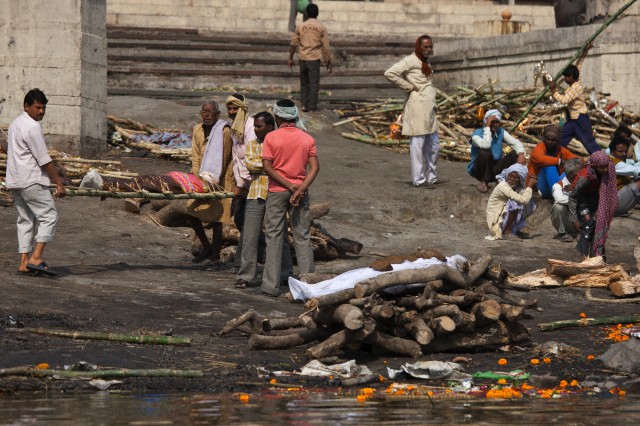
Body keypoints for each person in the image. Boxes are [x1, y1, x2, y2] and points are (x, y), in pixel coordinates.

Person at [260, 99, 319, 297]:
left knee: (274, 236)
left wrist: (288, 186)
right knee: (302, 236)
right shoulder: (306, 138)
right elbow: (315, 167)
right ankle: (308, 285)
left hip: (277, 191)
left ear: (277, 117)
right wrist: (299, 188)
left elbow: (268, 168)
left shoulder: (271, 138)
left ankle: (271, 285)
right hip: (300, 192)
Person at [5, 89, 66, 275]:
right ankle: (36, 257)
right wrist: (58, 182)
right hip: (30, 180)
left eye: (43, 108)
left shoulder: (15, 123)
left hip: (16, 180)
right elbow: (43, 158)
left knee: (25, 220)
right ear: (27, 106)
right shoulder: (32, 127)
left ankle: (24, 262)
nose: (41, 112)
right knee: (49, 216)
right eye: (37, 107)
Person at [235, 112, 292, 288]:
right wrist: (271, 165)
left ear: (270, 126)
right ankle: (247, 275)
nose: (256, 130)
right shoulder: (252, 145)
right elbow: (251, 164)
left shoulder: (279, 143)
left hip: (277, 192)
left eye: (259, 126)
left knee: (278, 235)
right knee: (250, 236)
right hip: (256, 192)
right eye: (255, 126)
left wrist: (267, 166)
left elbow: (275, 165)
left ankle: (284, 273)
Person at [384, 35, 444, 189]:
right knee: (418, 145)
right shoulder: (410, 60)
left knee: (434, 145)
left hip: (429, 108)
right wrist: (408, 87)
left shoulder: (425, 61)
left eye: (430, 47)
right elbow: (390, 73)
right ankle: (419, 179)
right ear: (418, 47)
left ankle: (432, 177)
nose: (428, 49)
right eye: (425, 47)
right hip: (417, 106)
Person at [569, 151, 617, 259]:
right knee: (588, 225)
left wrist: (600, 208)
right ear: (594, 167)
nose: (606, 169)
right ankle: (583, 258)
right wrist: (574, 219)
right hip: (583, 203)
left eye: (606, 167)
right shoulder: (585, 178)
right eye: (602, 168)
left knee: (598, 226)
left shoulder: (604, 173)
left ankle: (598, 256)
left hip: (595, 201)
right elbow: (572, 196)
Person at [546, 61, 600, 154]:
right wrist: (585, 51)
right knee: (560, 140)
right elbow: (579, 65)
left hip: (581, 120)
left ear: (571, 76)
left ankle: (602, 161)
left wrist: (553, 91)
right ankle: (553, 158)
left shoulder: (576, 87)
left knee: (589, 144)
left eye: (567, 77)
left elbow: (564, 100)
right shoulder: (572, 86)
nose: (565, 79)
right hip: (572, 120)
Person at [468, 109, 526, 193]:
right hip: (479, 169)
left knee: (515, 154)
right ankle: (484, 181)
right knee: (484, 152)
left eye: (497, 122)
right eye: (492, 122)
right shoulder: (476, 134)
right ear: (486, 121)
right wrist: (487, 127)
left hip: (495, 168)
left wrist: (521, 155)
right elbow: (486, 145)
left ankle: (499, 180)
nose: (495, 125)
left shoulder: (500, 132)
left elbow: (516, 143)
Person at [226, 93, 253, 271]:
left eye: (235, 108)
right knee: (241, 219)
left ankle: (245, 263)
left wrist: (242, 184)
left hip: (254, 183)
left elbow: (252, 160)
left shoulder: (251, 127)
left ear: (242, 109)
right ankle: (243, 262)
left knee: (247, 221)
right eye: (229, 108)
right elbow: (236, 160)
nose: (232, 111)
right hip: (241, 183)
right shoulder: (234, 129)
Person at [289, 3, 332, 112]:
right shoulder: (321, 27)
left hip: (302, 57)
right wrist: (328, 61)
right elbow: (325, 47)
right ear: (317, 13)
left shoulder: (300, 26)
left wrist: (290, 58)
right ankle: (312, 105)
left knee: (304, 82)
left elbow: (293, 43)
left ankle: (304, 104)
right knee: (314, 83)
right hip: (314, 58)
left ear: (306, 13)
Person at [485, 163, 537, 241]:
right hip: (496, 220)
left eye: (515, 177)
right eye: (510, 176)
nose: (511, 179)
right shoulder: (503, 186)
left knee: (532, 201)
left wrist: (534, 187)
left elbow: (537, 196)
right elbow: (523, 200)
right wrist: (529, 186)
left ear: (520, 180)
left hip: (503, 217)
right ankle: (506, 231)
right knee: (516, 203)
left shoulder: (518, 187)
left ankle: (514, 229)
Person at [527, 125, 576, 198]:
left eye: (553, 140)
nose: (550, 142)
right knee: (550, 166)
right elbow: (539, 158)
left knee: (572, 170)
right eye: (547, 139)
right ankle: (558, 196)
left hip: (556, 185)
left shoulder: (561, 150)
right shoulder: (539, 148)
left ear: (558, 141)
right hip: (539, 187)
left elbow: (577, 160)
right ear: (544, 139)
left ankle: (564, 192)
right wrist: (559, 161)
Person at [551, 158, 584, 242]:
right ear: (571, 174)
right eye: (578, 173)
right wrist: (575, 196)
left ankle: (584, 233)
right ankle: (562, 233)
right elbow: (559, 199)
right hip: (569, 221)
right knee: (558, 207)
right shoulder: (558, 185)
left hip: (582, 219)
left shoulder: (584, 183)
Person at [607, 134, 640, 215]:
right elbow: (635, 170)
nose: (624, 154)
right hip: (612, 203)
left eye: (625, 151)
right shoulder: (614, 163)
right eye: (620, 151)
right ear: (612, 151)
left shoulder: (614, 160)